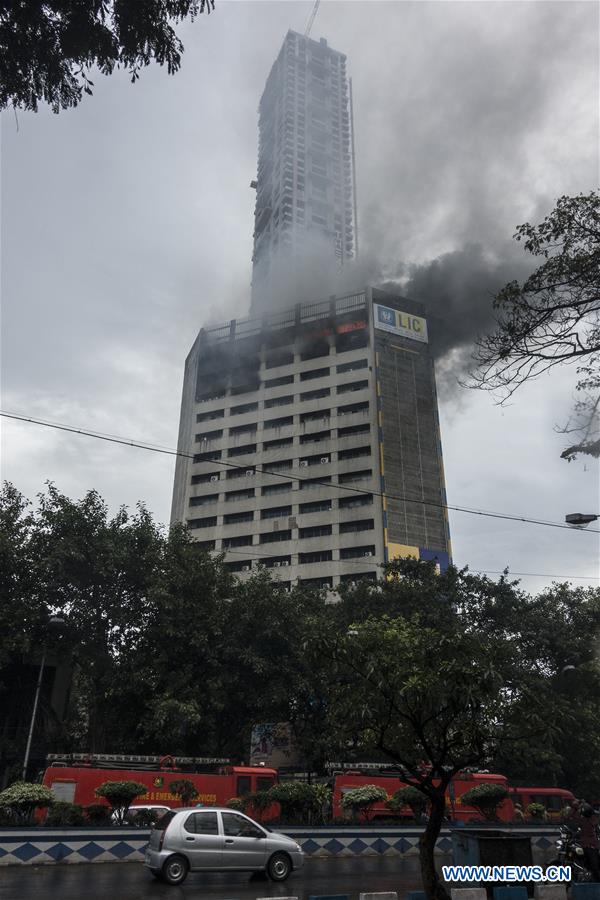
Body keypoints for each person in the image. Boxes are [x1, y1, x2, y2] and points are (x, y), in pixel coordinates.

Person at [572, 799, 600, 882]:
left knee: (594, 866)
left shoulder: (588, 821)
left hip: (591, 846)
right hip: (587, 845)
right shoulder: (590, 820)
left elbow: (574, 816)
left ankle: (597, 881)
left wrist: (576, 808)